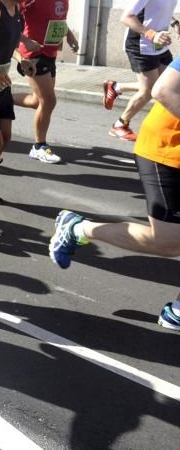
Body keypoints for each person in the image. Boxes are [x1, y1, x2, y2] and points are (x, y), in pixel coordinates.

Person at [51, 57, 180, 331]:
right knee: (169, 242)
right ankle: (78, 229)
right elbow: (162, 90)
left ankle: (177, 312)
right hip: (166, 152)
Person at [104, 0, 180, 141]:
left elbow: (159, 8)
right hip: (141, 44)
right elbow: (126, 17)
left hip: (159, 44)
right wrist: (151, 34)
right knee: (149, 91)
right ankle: (119, 124)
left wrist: (175, 23)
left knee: (167, 85)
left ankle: (116, 88)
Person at [12, 0, 79, 164]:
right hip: (33, 53)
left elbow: (59, 18)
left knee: (36, 101)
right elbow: (10, 17)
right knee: (49, 101)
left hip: (50, 52)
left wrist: (69, 35)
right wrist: (22, 42)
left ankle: (1, 99)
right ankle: (39, 146)